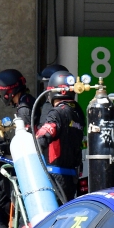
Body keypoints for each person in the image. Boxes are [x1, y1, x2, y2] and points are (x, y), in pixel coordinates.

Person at [35, 70, 84, 202]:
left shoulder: (57, 113)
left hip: (55, 176)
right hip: (72, 177)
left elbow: (42, 138)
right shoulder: (78, 112)